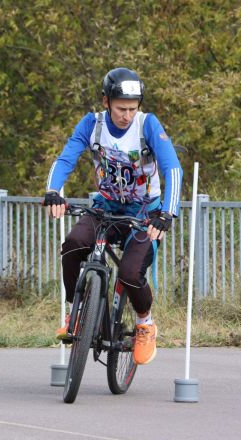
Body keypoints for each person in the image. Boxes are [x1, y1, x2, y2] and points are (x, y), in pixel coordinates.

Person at [43, 67, 183, 365]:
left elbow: (172, 168)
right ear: (106, 101)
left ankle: (145, 323)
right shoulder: (92, 125)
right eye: (121, 109)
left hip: (145, 212)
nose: (127, 116)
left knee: (131, 273)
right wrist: (53, 191)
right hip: (106, 206)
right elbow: (66, 157)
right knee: (74, 244)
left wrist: (167, 213)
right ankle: (76, 312)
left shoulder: (147, 125)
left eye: (133, 109)